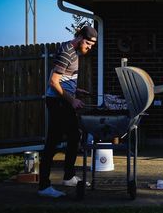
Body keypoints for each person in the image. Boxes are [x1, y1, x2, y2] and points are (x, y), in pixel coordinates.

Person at [38, 26, 97, 198]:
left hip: (63, 100)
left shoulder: (72, 51)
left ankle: (68, 176)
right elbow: (53, 82)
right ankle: (44, 186)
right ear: (79, 37)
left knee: (74, 136)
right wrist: (72, 100)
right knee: (52, 143)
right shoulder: (67, 52)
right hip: (58, 103)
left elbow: (64, 79)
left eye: (92, 45)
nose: (89, 47)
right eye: (88, 43)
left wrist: (77, 91)